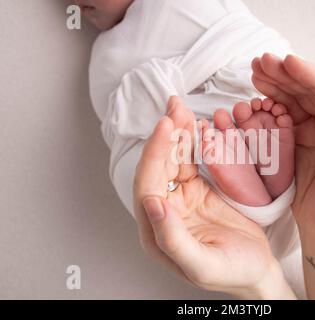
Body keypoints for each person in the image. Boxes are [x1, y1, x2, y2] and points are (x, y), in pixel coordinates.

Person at [134, 54, 315, 299]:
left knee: (152, 165)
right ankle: (263, 194)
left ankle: (259, 193)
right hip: (282, 217)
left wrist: (262, 285)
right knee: (247, 84)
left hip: (205, 217)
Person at [84, 0, 300, 260]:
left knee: (250, 88)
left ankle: (254, 179)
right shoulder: (101, 55)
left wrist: (154, 100)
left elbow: (243, 39)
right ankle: (257, 190)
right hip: (191, 187)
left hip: (218, 101)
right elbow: (115, 125)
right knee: (147, 162)